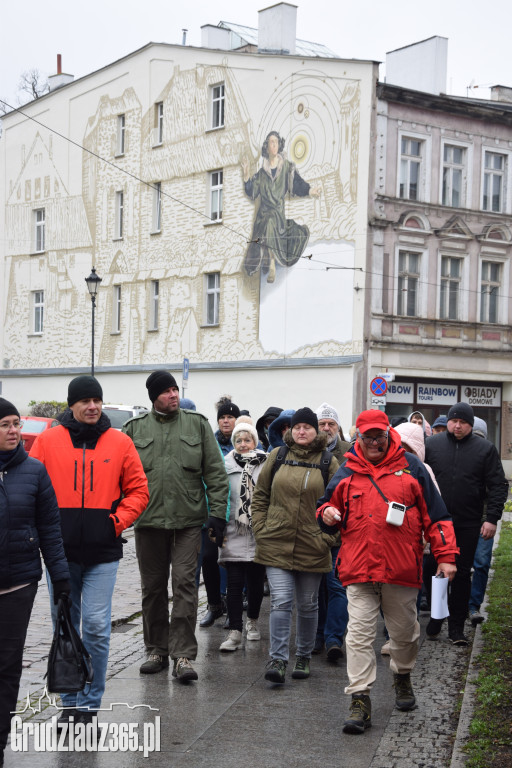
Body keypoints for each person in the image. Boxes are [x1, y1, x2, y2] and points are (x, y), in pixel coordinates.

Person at [316, 409, 458, 734]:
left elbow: (437, 517)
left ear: (388, 435)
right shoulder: (348, 470)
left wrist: (446, 556)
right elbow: (325, 505)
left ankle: (402, 674)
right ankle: (360, 700)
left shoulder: (412, 468)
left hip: (401, 570)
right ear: (359, 439)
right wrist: (327, 513)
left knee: (404, 635)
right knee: (359, 635)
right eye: (368, 437)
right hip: (359, 570)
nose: (375, 442)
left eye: (379, 436)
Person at [30, 376, 148, 724]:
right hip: (60, 555)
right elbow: (32, 488)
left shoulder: (120, 442)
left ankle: (90, 702)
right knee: (64, 625)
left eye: (97, 400)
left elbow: (139, 491)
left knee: (96, 626)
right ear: (72, 405)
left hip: (103, 553)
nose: (93, 406)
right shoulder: (48, 441)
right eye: (85, 401)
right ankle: (69, 701)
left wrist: (114, 523)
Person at [123, 371, 229, 682]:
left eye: (175, 389)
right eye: (166, 391)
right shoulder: (133, 429)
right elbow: (121, 479)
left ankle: (183, 655)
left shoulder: (196, 424)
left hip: (188, 521)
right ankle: (156, 649)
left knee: (184, 584)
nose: (173, 395)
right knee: (153, 588)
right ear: (153, 397)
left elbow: (216, 473)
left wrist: (218, 515)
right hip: (149, 522)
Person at [0, 398, 70, 765]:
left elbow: (49, 528)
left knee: (7, 664)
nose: (14, 430)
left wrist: (59, 576)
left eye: (16, 423)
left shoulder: (35, 471)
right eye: (5, 424)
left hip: (17, 584)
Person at [252, 407, 339, 684]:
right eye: (297, 427)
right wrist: (261, 529)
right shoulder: (277, 456)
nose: (301, 431)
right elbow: (260, 496)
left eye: (307, 427)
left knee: (308, 603)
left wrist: (327, 538)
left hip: (313, 545)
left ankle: (303, 655)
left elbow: (340, 505)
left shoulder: (328, 461)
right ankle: (277, 658)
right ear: (289, 430)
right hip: (276, 541)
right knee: (281, 601)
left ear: (316, 431)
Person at [425, 403, 508, 645]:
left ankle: (456, 628)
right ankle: (437, 616)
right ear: (447, 421)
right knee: (433, 570)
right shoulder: (432, 445)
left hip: (468, 523)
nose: (457, 426)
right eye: (453, 421)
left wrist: (491, 518)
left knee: (461, 575)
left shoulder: (485, 449)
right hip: (436, 523)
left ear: (471, 424)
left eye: (463, 422)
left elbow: (498, 485)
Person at [242, 130, 321, 283]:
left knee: (272, 221)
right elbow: (252, 191)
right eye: (271, 142)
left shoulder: (286, 168)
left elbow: (297, 185)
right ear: (267, 147)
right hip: (263, 215)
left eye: (276, 142)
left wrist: (310, 190)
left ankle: (271, 263)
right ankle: (269, 261)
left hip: (277, 215)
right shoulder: (262, 173)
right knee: (267, 220)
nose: (274, 145)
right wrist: (246, 175)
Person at [218, 417, 267, 652]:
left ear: (254, 441)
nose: (243, 443)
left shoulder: (264, 464)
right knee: (234, 585)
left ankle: (253, 622)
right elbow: (220, 497)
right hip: (233, 531)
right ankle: (235, 632)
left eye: (247, 439)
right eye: (238, 440)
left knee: (256, 584)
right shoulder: (225, 465)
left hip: (258, 532)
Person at [198, 398, 241, 628]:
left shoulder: (245, 442)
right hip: (213, 510)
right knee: (208, 558)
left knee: (232, 561)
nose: (225, 421)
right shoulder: (209, 441)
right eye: (222, 417)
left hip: (236, 513)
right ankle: (214, 605)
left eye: (230, 417)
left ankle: (234, 607)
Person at [313, 402, 351, 659]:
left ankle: (334, 638)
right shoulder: (309, 451)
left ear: (338, 427)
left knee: (336, 586)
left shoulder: (349, 452)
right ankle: (317, 635)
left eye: (331, 424)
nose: (327, 428)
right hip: (313, 530)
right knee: (315, 588)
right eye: (322, 424)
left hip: (342, 532)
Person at [468, 417, 494, 626]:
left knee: (482, 563)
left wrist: (491, 518)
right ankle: (454, 605)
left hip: (483, 520)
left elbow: (497, 488)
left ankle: (473, 605)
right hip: (462, 519)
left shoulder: (489, 455)